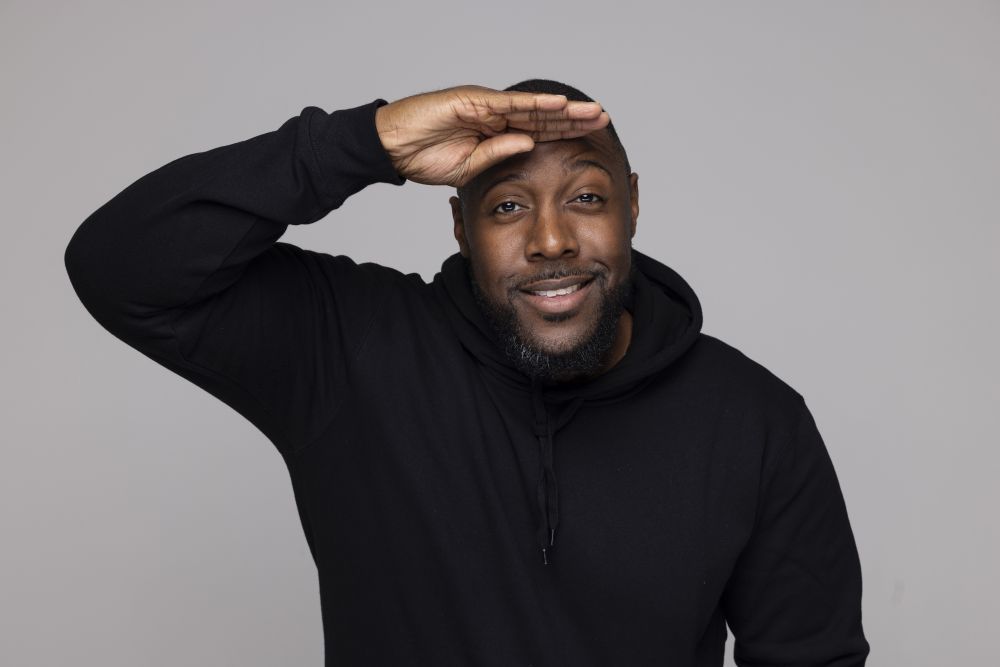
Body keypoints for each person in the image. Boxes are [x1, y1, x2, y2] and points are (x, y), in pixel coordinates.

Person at [64, 79, 870, 666]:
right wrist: (365, 142)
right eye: (508, 206)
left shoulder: (754, 420)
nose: (550, 240)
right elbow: (120, 267)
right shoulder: (353, 351)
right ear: (459, 226)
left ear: (632, 203)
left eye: (587, 198)